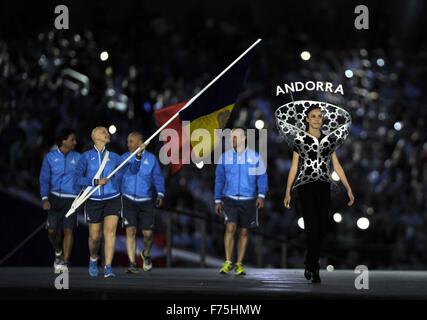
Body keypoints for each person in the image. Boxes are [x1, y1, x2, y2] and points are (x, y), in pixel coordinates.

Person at [282, 104, 355, 283]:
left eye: (319, 116)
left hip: (323, 185)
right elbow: (294, 166)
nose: (317, 118)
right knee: (312, 226)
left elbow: (336, 165)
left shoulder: (328, 140)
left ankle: (309, 260)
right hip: (305, 185)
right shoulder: (299, 139)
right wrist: (288, 191)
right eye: (313, 116)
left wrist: (348, 188)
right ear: (307, 119)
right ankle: (314, 268)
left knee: (322, 227)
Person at [74, 126, 143, 278]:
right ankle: (93, 259)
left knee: (110, 233)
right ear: (95, 136)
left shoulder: (114, 156)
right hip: (94, 200)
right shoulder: (85, 157)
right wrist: (95, 181)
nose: (107, 133)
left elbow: (132, 170)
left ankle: (108, 267)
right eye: (103, 132)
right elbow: (77, 180)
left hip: (113, 198)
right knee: (94, 237)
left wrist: (138, 156)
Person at [214, 127, 268, 276]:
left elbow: (262, 177)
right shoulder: (225, 157)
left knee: (244, 232)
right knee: (230, 227)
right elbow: (219, 179)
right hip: (229, 198)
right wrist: (217, 200)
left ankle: (239, 264)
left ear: (244, 138)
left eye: (236, 137)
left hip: (248, 199)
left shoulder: (254, 157)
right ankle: (228, 261)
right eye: (231, 137)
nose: (233, 140)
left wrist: (261, 195)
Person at [120, 132, 165, 273]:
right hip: (128, 199)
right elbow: (117, 177)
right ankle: (132, 263)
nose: (128, 144)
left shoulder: (151, 159)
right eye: (128, 141)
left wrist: (160, 194)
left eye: (131, 141)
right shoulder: (124, 158)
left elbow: (158, 177)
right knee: (130, 231)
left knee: (148, 234)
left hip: (146, 200)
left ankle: (146, 254)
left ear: (140, 142)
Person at [39, 128, 80, 272]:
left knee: (68, 230)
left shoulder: (78, 157)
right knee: (51, 231)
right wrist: (44, 198)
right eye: (72, 139)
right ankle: (58, 252)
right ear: (63, 141)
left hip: (71, 199)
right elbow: (44, 179)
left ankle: (65, 263)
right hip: (54, 198)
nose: (75, 142)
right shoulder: (50, 157)